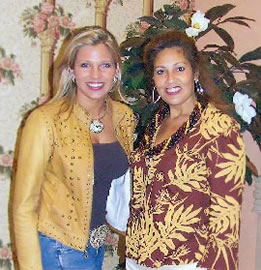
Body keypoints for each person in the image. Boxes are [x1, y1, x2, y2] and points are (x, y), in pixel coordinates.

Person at [12, 26, 135, 270]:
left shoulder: (124, 117)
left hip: (95, 248)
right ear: (71, 71)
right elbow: (24, 207)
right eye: (85, 65)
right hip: (55, 249)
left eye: (105, 65)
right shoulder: (45, 120)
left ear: (116, 71)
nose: (96, 75)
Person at [126, 30, 246, 270]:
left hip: (189, 263)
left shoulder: (218, 128)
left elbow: (226, 220)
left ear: (195, 73)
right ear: (154, 80)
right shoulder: (153, 127)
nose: (170, 79)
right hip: (138, 260)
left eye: (179, 69)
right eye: (161, 72)